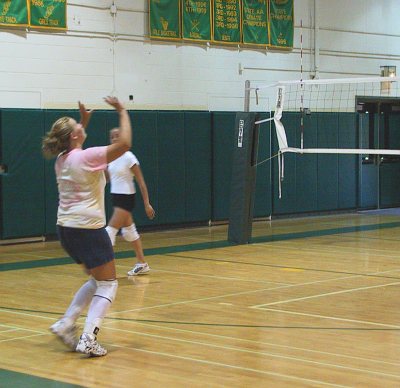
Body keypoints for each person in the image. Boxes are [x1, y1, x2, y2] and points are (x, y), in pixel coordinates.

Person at [42, 97, 131, 357]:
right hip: (88, 228)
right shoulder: (88, 157)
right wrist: (122, 111)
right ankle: (89, 338)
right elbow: (124, 144)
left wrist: (82, 124)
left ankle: (67, 323)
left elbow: (72, 146)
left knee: (97, 279)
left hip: (66, 229)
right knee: (109, 284)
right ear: (74, 135)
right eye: (76, 124)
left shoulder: (62, 159)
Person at [106, 128, 155, 276]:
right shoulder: (110, 157)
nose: (114, 139)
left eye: (118, 136)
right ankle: (142, 263)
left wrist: (147, 203)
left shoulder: (129, 157)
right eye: (112, 137)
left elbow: (141, 182)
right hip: (116, 197)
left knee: (109, 232)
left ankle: (105, 270)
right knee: (129, 232)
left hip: (127, 198)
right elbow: (108, 179)